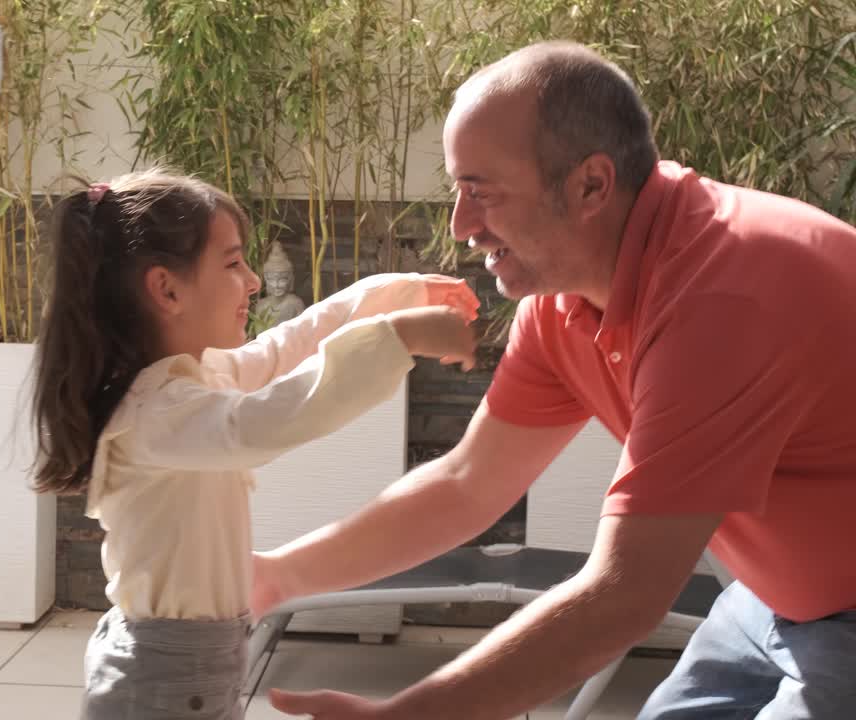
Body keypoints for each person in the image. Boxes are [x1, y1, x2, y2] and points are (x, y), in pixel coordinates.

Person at [255, 41, 856, 720]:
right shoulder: (560, 304)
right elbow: (467, 485)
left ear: (591, 185)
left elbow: (622, 597)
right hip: (771, 601)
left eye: (481, 193)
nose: (461, 226)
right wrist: (274, 576)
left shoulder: (722, 298)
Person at [29, 169, 480, 720]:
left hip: (186, 665)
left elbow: (285, 347)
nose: (254, 282)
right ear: (167, 289)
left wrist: (394, 294)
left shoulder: (195, 377)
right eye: (232, 263)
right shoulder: (158, 412)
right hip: (165, 677)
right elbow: (275, 417)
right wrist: (400, 337)